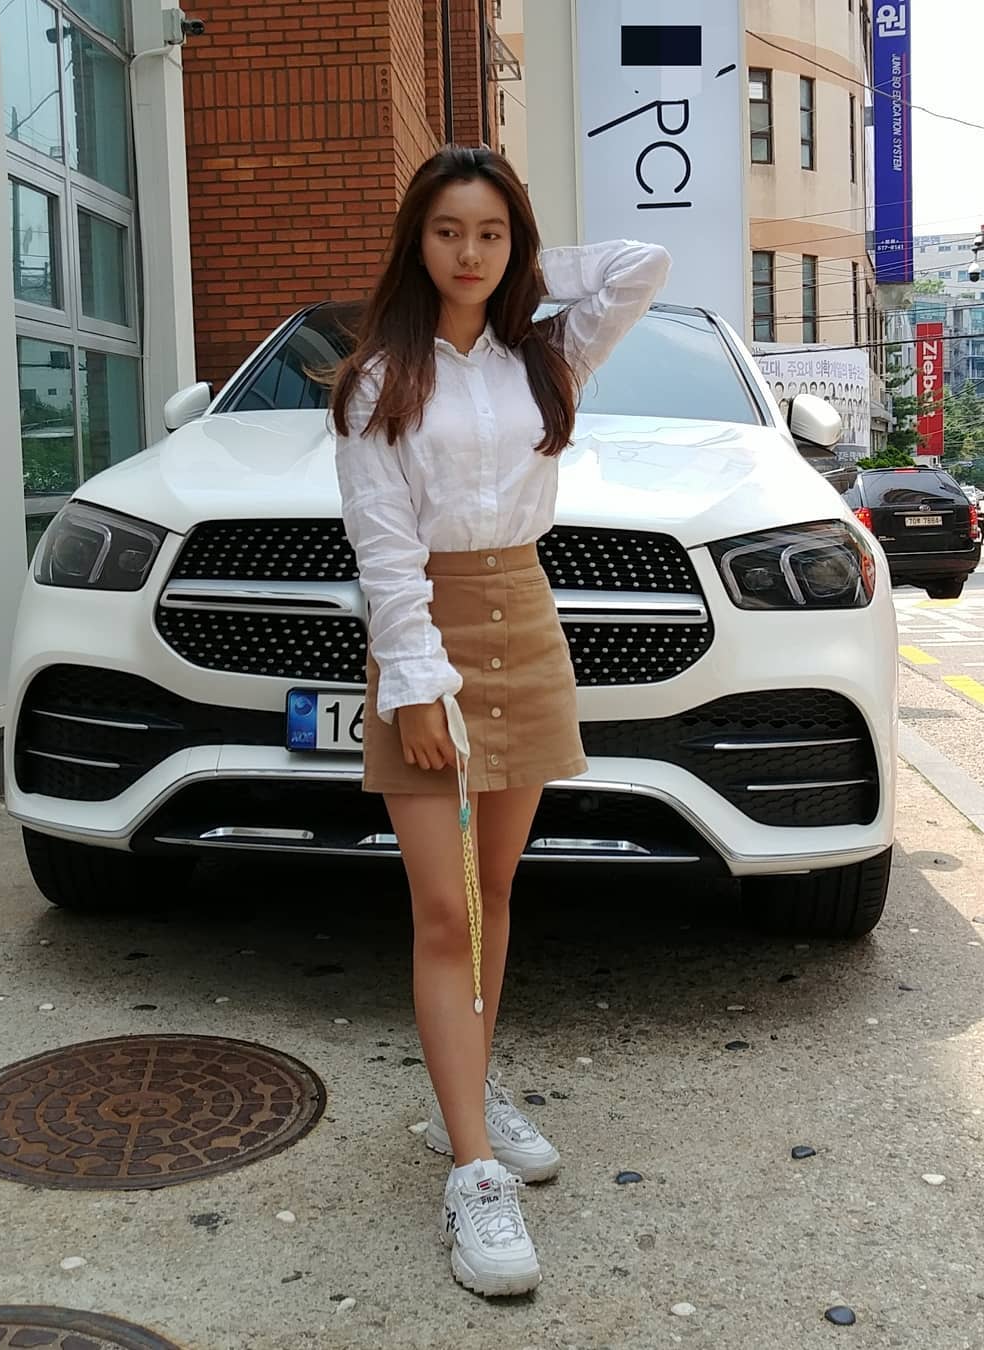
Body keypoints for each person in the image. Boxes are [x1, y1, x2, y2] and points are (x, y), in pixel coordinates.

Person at [329, 145, 669, 1298]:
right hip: (424, 627)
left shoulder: (546, 354)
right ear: (413, 243)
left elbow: (641, 262)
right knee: (443, 909)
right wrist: (416, 684)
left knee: (495, 890)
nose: (467, 253)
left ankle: (463, 1093)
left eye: (489, 232)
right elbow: (382, 548)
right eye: (446, 232)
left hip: (523, 615)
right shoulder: (379, 379)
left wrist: (525, 270)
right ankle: (472, 1170)